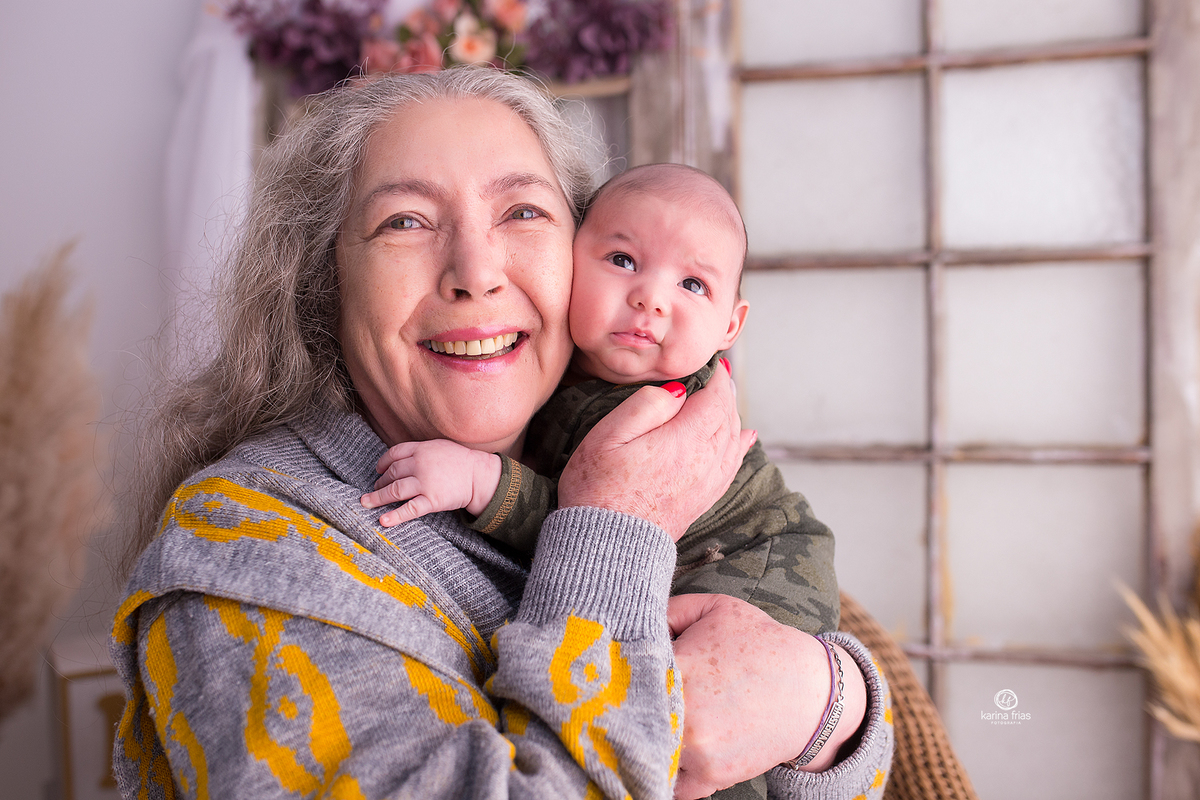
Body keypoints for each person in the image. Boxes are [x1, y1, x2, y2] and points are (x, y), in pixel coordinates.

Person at [111, 66, 893, 800]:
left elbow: (815, 700)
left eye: (524, 212)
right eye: (405, 221)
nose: (476, 271)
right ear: (320, 287)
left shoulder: (656, 459)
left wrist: (832, 700)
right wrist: (616, 523)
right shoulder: (245, 545)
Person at [361, 163, 839, 639]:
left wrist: (477, 480)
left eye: (693, 285)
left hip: (765, 577)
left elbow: (590, 523)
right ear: (568, 261)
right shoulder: (552, 372)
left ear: (729, 327)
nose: (651, 298)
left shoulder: (664, 408)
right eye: (622, 260)